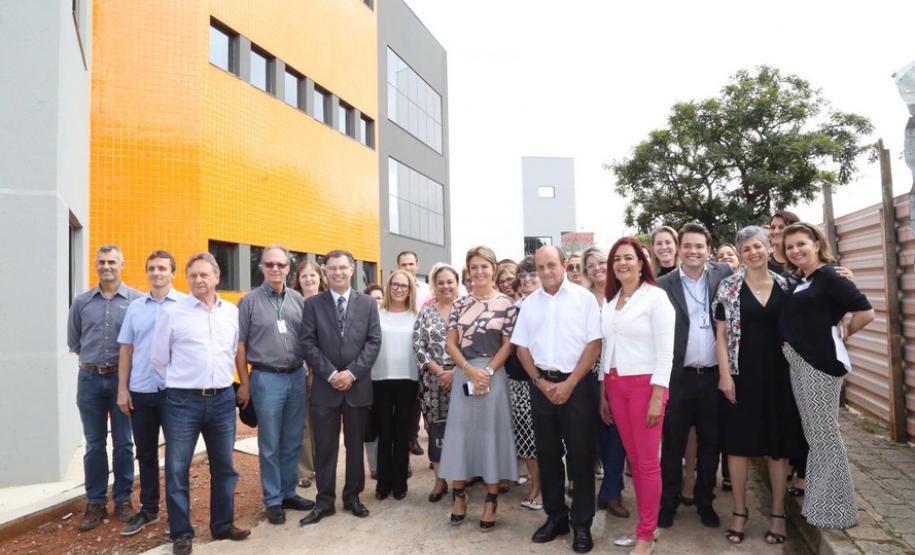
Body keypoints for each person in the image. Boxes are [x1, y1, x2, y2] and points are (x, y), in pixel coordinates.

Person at [151, 252, 250, 555]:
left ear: (217, 277)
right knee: (178, 468)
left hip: (222, 400)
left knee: (224, 467)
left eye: (204, 275)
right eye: (193, 275)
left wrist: (239, 383)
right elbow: (158, 359)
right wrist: (182, 382)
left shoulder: (230, 312)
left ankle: (222, 525)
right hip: (182, 402)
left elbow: (234, 351)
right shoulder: (173, 313)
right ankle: (181, 533)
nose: (199, 280)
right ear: (187, 278)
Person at [712, 227, 805, 544]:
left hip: (780, 375)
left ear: (768, 248)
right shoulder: (728, 286)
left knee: (776, 448)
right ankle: (740, 511)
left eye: (757, 246)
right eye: (746, 248)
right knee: (737, 446)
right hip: (740, 374)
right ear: (740, 253)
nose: (753, 252)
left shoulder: (787, 284)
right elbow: (721, 336)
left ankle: (778, 515)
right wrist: (724, 375)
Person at [779, 222, 874, 529]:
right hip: (799, 364)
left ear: (816, 244)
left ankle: (839, 511)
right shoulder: (800, 279)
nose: (795, 250)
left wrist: (841, 334)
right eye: (790, 246)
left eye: (801, 244)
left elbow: (865, 311)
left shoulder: (830, 276)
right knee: (815, 437)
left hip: (820, 366)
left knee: (825, 437)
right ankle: (821, 504)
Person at [513, 246, 602, 553]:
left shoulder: (584, 299)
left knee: (580, 456)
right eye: (540, 267)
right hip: (542, 386)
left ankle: (581, 524)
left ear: (564, 264)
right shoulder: (529, 304)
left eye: (552, 264)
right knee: (548, 455)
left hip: (576, 386)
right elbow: (521, 347)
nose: (547, 271)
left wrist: (570, 383)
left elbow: (594, 344)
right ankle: (556, 517)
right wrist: (538, 381)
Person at [601, 237, 676, 555]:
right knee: (635, 459)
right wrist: (605, 392)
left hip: (646, 386)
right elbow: (607, 347)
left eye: (628, 257)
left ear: (641, 262)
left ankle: (646, 535)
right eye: (617, 258)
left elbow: (666, 351)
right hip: (615, 385)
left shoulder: (655, 298)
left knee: (646, 464)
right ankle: (645, 528)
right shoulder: (610, 300)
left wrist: (658, 395)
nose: (622, 263)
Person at [657, 223, 733, 529]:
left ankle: (705, 501)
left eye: (699, 246)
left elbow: (761, 278)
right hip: (678, 377)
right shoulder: (663, 285)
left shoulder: (723, 275)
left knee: (710, 443)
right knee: (673, 445)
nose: (693, 251)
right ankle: (669, 502)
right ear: (679, 248)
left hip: (713, 376)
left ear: (708, 249)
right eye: (687, 246)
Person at [299, 250, 382, 525]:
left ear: (352, 268)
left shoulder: (368, 304)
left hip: (357, 387)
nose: (337, 273)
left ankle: (352, 497)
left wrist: (353, 373)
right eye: (332, 268)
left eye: (342, 268)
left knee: (355, 444)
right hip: (326, 387)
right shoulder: (312, 304)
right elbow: (308, 343)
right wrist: (332, 373)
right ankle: (324, 502)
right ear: (325, 271)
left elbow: (373, 342)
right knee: (325, 447)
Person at [440, 246, 518, 531]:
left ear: (493, 268)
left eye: (484, 266)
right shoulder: (460, 305)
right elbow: (450, 343)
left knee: (491, 434)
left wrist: (486, 372)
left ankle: (490, 500)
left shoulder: (507, 304)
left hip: (494, 375)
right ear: (468, 271)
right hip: (465, 372)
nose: (479, 272)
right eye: (474, 267)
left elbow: (509, 344)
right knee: (461, 433)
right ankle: (458, 496)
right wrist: (470, 370)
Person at [237, 245, 315, 526]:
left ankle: (288, 492)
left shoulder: (298, 300)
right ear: (262, 267)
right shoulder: (249, 302)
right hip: (266, 378)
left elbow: (308, 342)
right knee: (269, 443)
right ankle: (272, 500)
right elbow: (240, 345)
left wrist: (310, 375)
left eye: (280, 265)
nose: (275, 269)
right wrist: (244, 383)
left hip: (296, 376)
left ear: (288, 268)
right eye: (269, 264)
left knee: (293, 439)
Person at [68, 245, 142, 531]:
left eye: (112, 261)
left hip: (122, 381)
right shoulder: (82, 302)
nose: (106, 266)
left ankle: (122, 499)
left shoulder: (136, 300)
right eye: (102, 262)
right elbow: (75, 342)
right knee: (94, 443)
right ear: (96, 265)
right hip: (89, 379)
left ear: (122, 264)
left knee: (124, 442)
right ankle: (95, 502)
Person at [115, 250, 186, 536]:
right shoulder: (136, 307)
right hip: (141, 390)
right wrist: (122, 389)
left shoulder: (185, 304)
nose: (156, 273)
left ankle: (177, 517)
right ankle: (149, 510)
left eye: (162, 268)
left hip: (175, 393)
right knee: (145, 453)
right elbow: (126, 349)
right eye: (151, 268)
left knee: (177, 455)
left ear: (173, 272)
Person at [582, 246, 629, 519]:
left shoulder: (622, 294)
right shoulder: (583, 299)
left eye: (601, 262)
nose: (596, 268)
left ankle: (612, 492)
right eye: (590, 265)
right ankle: (604, 488)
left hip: (618, 371)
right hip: (587, 373)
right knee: (596, 437)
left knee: (618, 435)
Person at [413, 264, 460, 503]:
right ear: (434, 285)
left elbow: (475, 346)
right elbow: (418, 348)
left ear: (457, 283)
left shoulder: (466, 309)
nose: (445, 286)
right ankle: (440, 479)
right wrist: (440, 371)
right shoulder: (426, 312)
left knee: (462, 429)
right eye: (440, 282)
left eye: (450, 281)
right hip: (433, 380)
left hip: (462, 377)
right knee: (436, 430)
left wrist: (455, 372)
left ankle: (462, 479)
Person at [372, 270, 419, 500]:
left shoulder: (416, 316)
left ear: (410, 290)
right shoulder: (376, 313)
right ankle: (383, 483)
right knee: (384, 432)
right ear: (389, 287)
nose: (399, 289)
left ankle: (400, 483)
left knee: (402, 433)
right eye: (395, 285)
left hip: (408, 379)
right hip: (379, 378)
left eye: (404, 285)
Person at [502, 256, 543, 511]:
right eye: (523, 276)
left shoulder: (548, 306)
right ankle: (536, 485)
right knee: (526, 439)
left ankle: (544, 487)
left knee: (546, 439)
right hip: (516, 381)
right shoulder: (514, 308)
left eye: (532, 275)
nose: (527, 280)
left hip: (543, 382)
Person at [291, 259, 325, 490]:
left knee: (323, 421)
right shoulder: (292, 302)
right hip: (299, 369)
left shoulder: (328, 302)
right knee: (303, 422)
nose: (309, 279)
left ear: (320, 278)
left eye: (313, 275)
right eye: (304, 276)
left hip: (324, 369)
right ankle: (304, 470)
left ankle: (323, 465)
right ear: (298, 280)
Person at [397, 251, 428, 457]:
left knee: (420, 396)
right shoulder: (393, 289)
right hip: (400, 350)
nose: (408, 267)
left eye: (411, 263)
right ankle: (405, 438)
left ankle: (414, 436)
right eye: (403, 264)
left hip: (423, 350)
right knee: (404, 397)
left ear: (417, 265)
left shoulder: (427, 290)